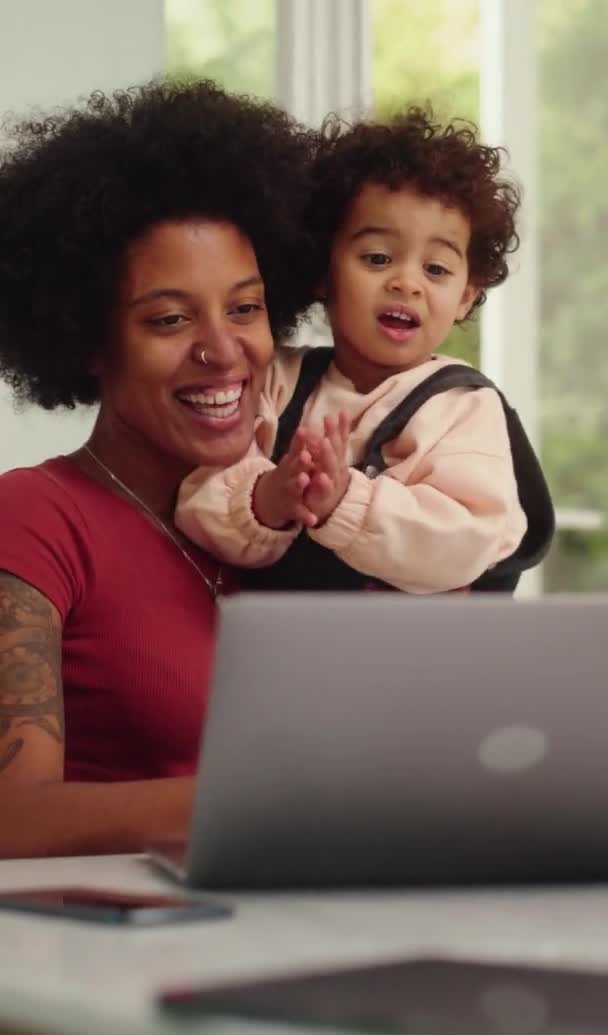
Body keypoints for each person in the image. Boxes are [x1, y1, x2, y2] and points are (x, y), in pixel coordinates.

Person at [0, 79, 317, 859]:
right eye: (170, 320)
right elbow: (10, 818)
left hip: (304, 931)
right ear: (86, 340)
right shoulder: (34, 518)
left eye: (245, 308)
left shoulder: (299, 511)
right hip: (110, 957)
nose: (223, 350)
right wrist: (284, 800)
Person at [176, 107, 553, 594]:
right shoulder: (277, 380)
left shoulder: (463, 408)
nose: (407, 283)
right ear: (320, 270)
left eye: (436, 269)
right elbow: (198, 495)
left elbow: (470, 539)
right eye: (377, 258)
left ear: (465, 295)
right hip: (279, 651)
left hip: (407, 660)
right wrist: (269, 498)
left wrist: (346, 503)